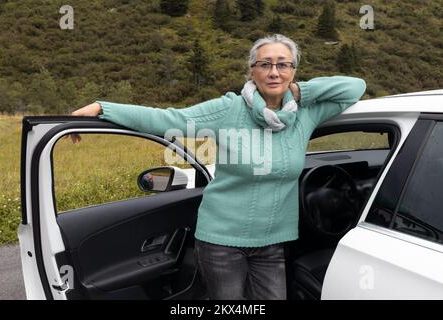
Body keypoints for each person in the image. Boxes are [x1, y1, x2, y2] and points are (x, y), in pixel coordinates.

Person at [70, 34, 366, 300]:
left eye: (283, 64)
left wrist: (300, 92)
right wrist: (104, 108)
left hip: (272, 242)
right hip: (221, 241)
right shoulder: (229, 109)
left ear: (294, 71)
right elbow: (167, 120)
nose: (274, 72)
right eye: (265, 64)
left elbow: (355, 88)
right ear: (252, 70)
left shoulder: (305, 114)